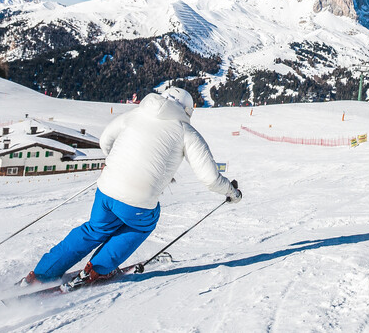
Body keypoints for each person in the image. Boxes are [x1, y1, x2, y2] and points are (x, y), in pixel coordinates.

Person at [22, 87, 242, 288]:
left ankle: (41, 274)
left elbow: (105, 140)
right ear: (187, 110)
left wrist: (116, 164)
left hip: (106, 190)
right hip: (139, 199)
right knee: (142, 224)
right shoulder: (186, 132)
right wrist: (232, 193)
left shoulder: (135, 114)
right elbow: (210, 178)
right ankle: (97, 270)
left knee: (94, 229)